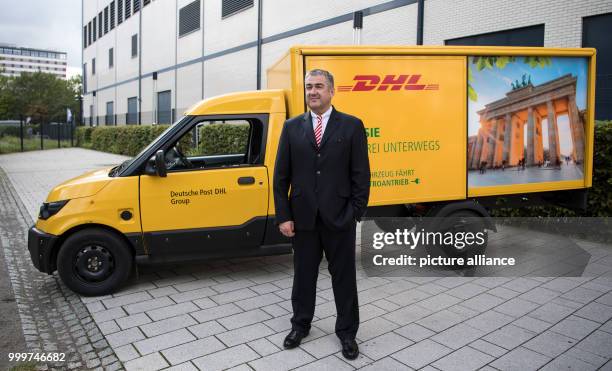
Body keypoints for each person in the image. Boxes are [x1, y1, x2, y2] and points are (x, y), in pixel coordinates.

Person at [273, 69, 370, 360]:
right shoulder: (291, 127)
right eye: (308, 87)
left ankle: (347, 333)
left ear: (331, 91)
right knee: (303, 276)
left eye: (318, 86)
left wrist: (354, 212)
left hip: (339, 217)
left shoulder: (352, 126)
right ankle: (300, 325)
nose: (312, 91)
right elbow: (281, 177)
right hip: (302, 220)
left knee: (344, 278)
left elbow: (361, 175)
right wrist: (284, 216)